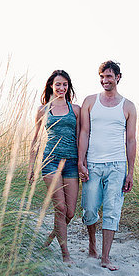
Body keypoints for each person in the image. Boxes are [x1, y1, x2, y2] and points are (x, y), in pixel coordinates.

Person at [78, 60, 137, 271]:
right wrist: (80, 161)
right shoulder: (90, 102)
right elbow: (84, 132)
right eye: (102, 76)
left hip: (117, 166)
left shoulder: (128, 106)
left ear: (118, 78)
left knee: (112, 210)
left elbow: (130, 140)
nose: (105, 80)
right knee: (89, 208)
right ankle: (92, 245)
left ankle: (105, 257)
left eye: (109, 76)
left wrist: (130, 172)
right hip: (93, 164)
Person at [28, 70, 81, 263]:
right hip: (50, 162)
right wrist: (30, 167)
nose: (61, 88)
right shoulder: (43, 110)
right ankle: (65, 252)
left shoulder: (75, 109)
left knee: (70, 212)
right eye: (58, 84)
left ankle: (52, 235)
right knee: (60, 207)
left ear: (69, 87)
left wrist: (82, 162)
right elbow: (35, 140)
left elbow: (80, 137)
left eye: (65, 84)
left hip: (71, 163)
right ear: (51, 85)